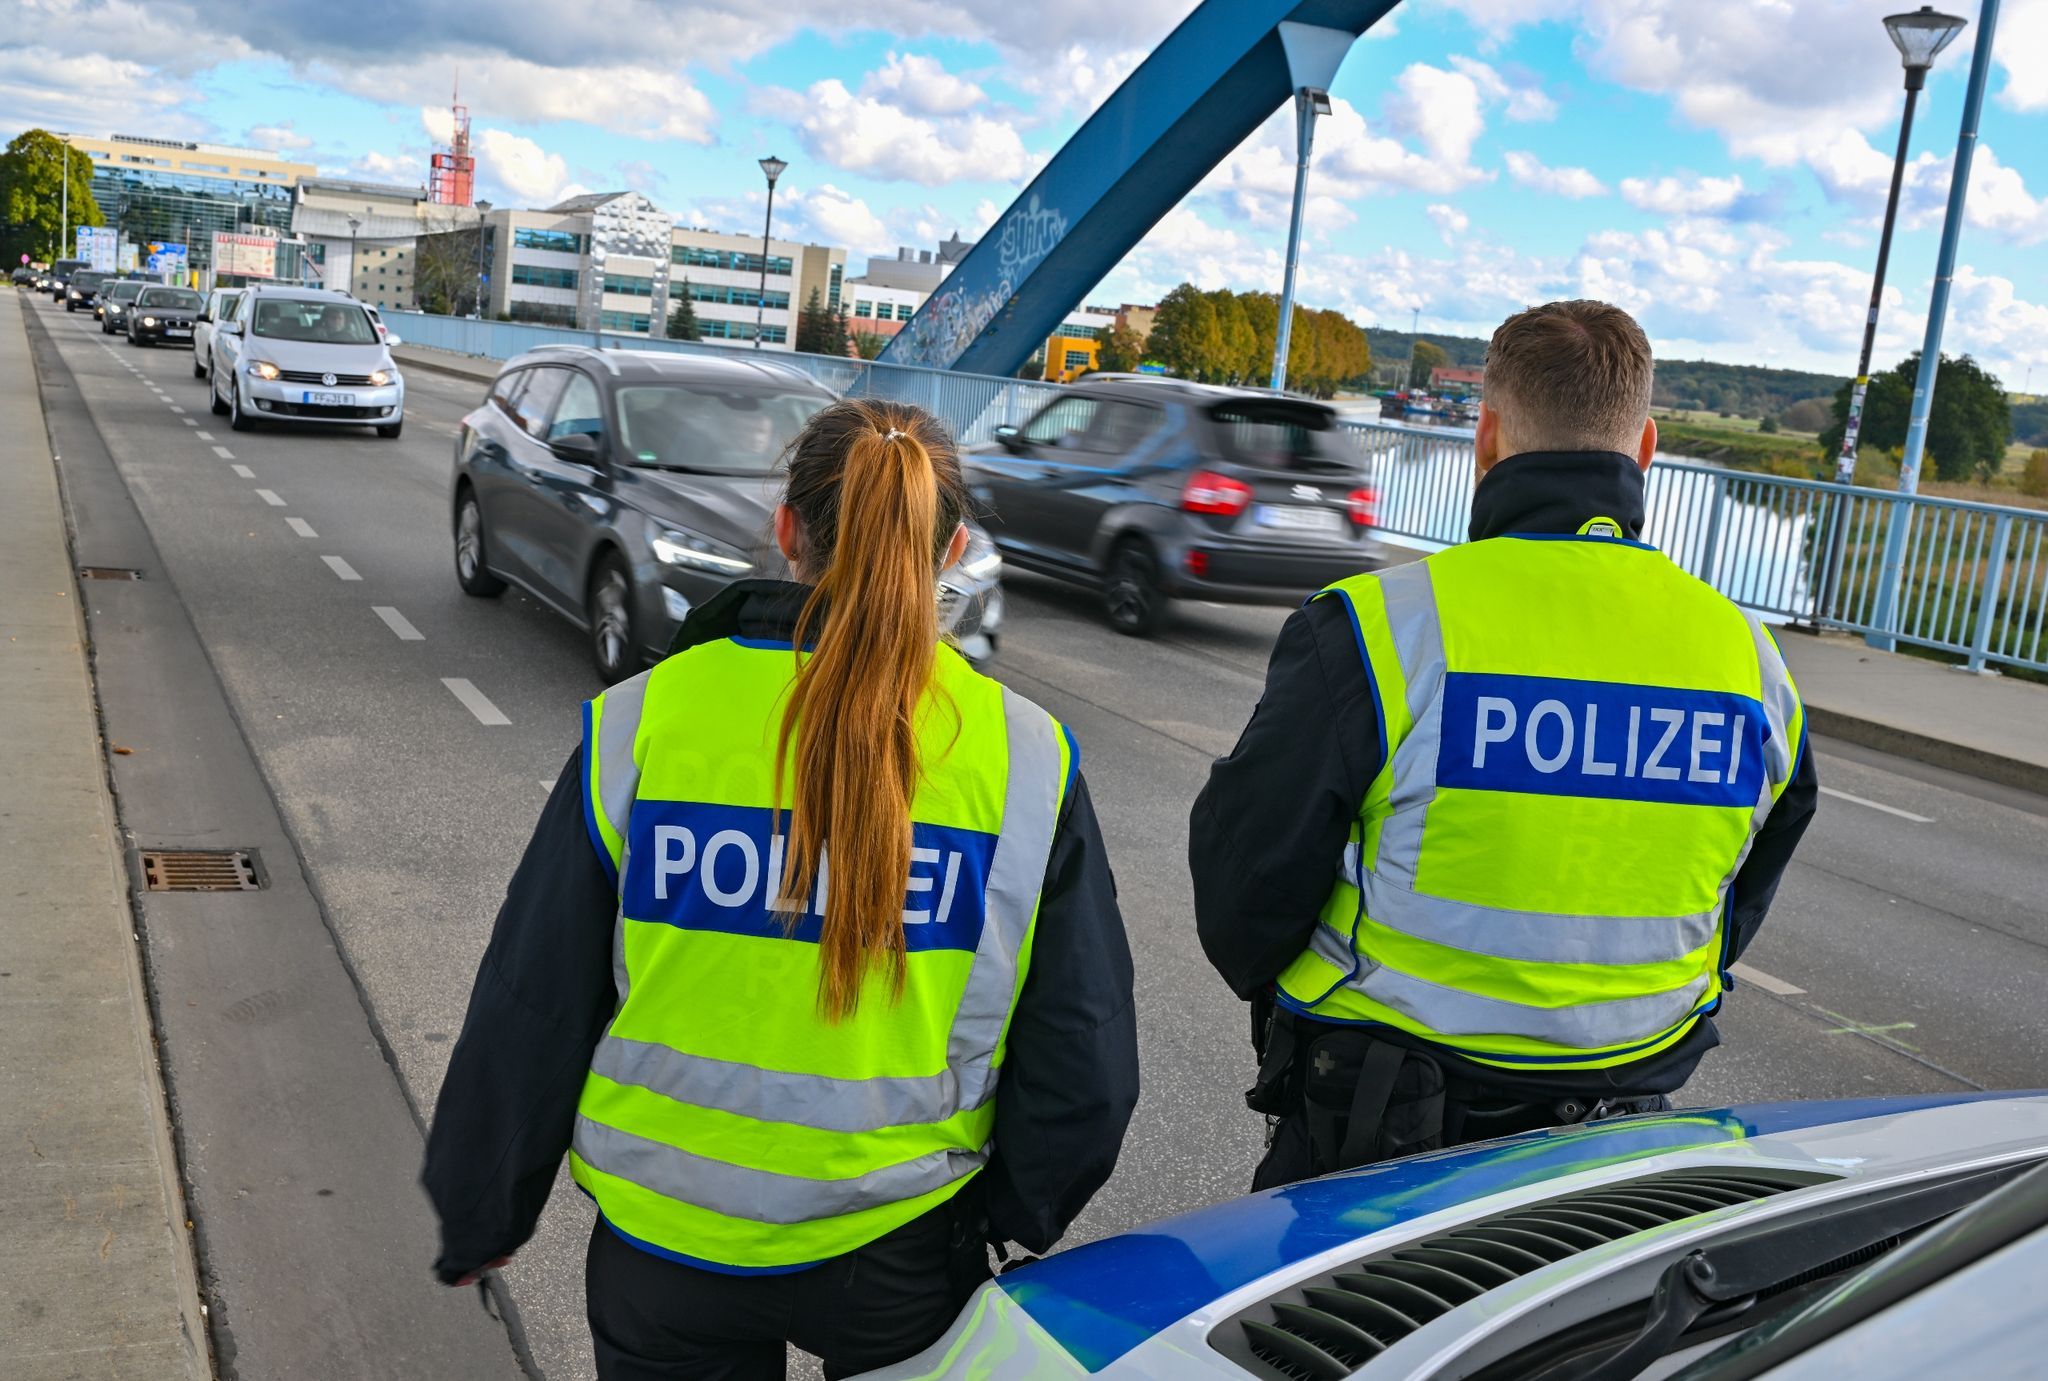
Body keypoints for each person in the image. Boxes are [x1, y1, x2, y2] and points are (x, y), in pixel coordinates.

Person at [423, 399, 1139, 1378]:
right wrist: (1007, 1215)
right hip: (899, 1244)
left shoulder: (642, 722)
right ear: (951, 547)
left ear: (787, 529)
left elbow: (532, 998)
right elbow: (1084, 1050)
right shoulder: (1023, 756)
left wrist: (482, 1209)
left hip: (665, 1243)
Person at [1190, 300, 1817, 1190]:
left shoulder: (1382, 626)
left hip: (1385, 1129)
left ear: (1484, 439)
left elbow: (1246, 880)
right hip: (1623, 1135)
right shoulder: (1749, 657)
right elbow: (1748, 883)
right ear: (1645, 448)